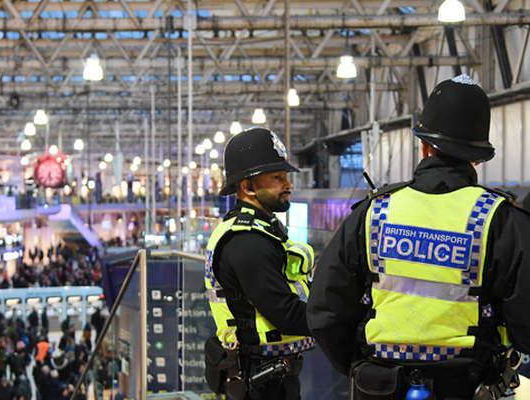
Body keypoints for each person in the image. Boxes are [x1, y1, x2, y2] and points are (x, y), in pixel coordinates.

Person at [306, 75, 530, 399]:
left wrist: (359, 367)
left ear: (424, 145)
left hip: (380, 385)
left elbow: (325, 311)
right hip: (468, 386)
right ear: (478, 157)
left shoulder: (374, 214)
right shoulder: (501, 221)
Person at [204, 127, 315, 400]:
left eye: (286, 176)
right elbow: (285, 314)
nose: (288, 184)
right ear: (248, 186)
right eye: (277, 178)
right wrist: (339, 318)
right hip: (260, 380)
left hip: (271, 373)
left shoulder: (261, 230)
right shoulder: (248, 242)